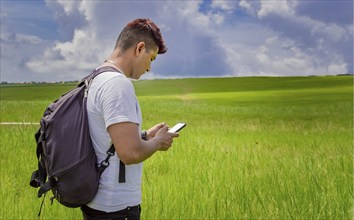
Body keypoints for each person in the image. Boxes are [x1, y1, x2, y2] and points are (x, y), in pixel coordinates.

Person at [81, 18, 179, 220]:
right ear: (140, 48)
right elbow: (130, 153)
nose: (149, 68)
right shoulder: (118, 85)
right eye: (151, 59)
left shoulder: (97, 77)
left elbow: (106, 140)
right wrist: (158, 142)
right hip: (116, 209)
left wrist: (144, 136)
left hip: (98, 204)